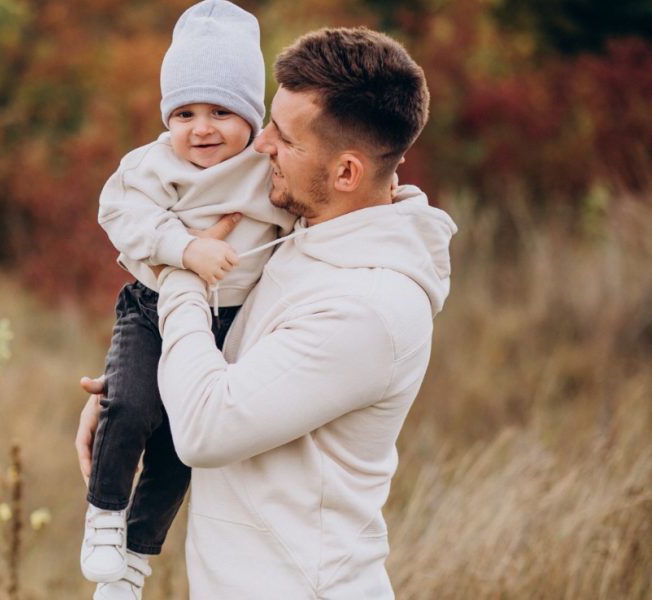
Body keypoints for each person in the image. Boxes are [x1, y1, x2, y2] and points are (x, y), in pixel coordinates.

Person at [76, 27, 457, 599]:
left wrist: (182, 263)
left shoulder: (370, 308)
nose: (260, 145)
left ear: (347, 173)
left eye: (283, 136)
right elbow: (230, 354)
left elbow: (206, 427)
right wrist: (135, 392)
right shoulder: (306, 232)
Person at [82, 2, 294, 598]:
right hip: (152, 309)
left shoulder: (265, 169)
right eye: (185, 112)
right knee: (127, 409)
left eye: (222, 112)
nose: (202, 128)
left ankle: (134, 560)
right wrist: (183, 248)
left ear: (253, 118)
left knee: (182, 447)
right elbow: (117, 213)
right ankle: (103, 513)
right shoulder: (152, 165)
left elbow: (302, 224)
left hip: (232, 323)